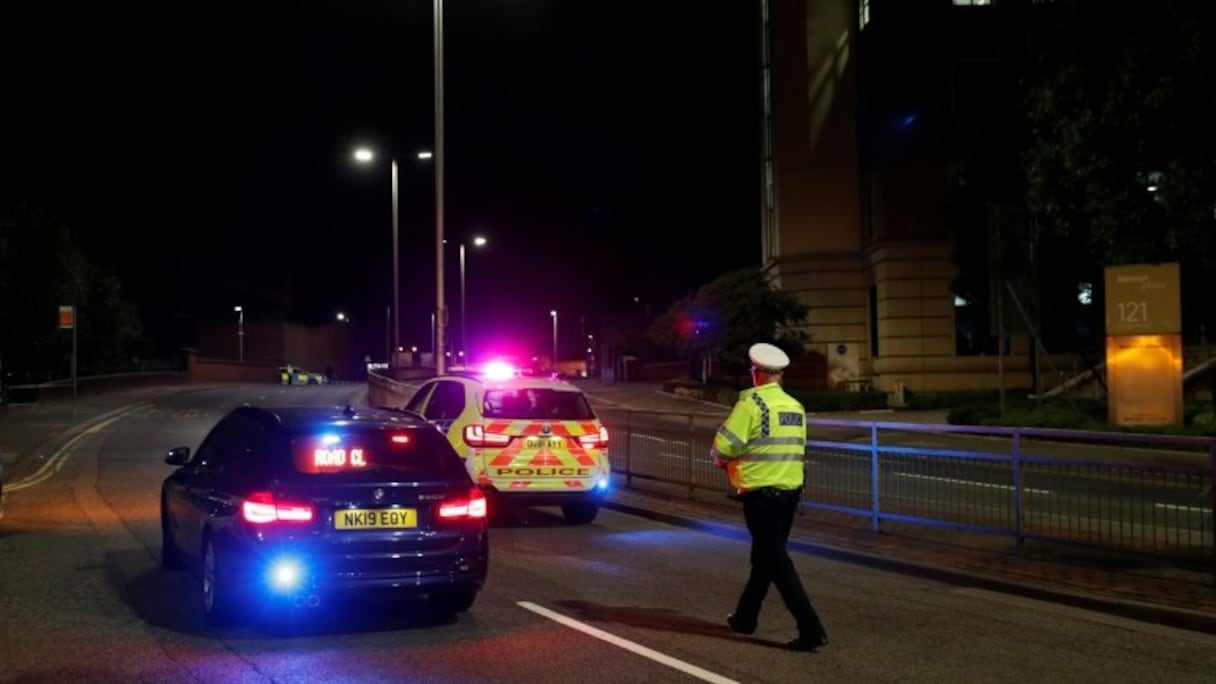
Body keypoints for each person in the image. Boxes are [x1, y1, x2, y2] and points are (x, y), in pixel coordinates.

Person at [711, 342, 828, 652]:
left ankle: (810, 628)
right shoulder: (795, 407)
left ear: (757, 373)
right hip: (790, 495)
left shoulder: (752, 405)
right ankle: (745, 618)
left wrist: (722, 458)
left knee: (777, 563)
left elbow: (724, 448)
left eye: (752, 371)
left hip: (761, 496)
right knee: (764, 559)